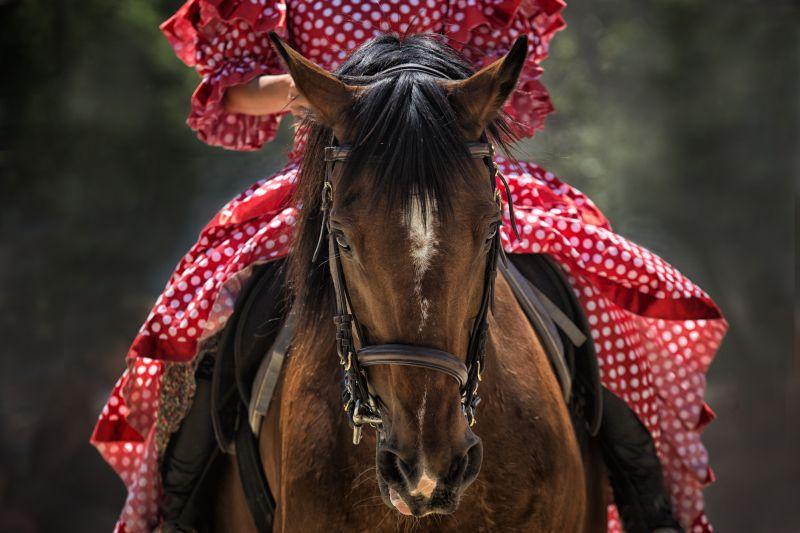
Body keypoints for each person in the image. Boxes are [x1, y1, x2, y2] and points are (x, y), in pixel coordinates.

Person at [90, 1, 727, 532]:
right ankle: (177, 504)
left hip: (447, 167)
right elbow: (236, 92)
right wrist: (338, 92)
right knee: (213, 313)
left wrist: (424, 93)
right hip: (340, 175)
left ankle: (647, 497)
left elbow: (506, 73)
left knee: (592, 287)